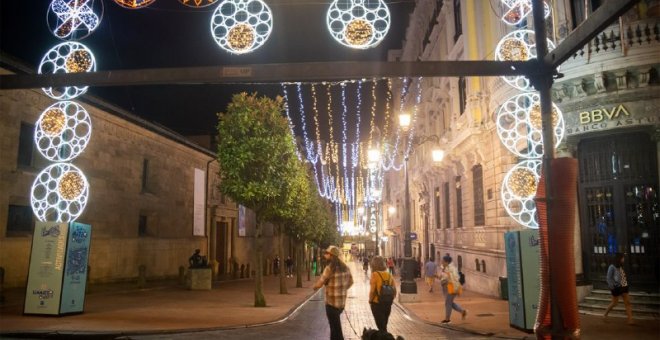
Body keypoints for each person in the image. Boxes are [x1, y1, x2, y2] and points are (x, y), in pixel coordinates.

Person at [313, 245, 354, 340]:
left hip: (331, 304)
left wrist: (314, 286)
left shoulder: (329, 268)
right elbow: (351, 282)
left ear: (332, 256)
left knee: (336, 329)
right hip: (341, 305)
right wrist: (342, 289)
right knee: (334, 328)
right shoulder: (345, 268)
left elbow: (320, 282)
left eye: (327, 254)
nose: (325, 255)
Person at [369, 255, 396, 333]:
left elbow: (372, 291)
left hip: (377, 303)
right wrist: (389, 299)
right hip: (388, 303)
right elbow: (394, 290)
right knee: (384, 325)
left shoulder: (374, 275)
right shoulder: (389, 274)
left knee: (381, 327)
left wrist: (370, 301)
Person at [604, 252, 633, 324]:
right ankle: (605, 314)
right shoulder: (612, 266)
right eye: (622, 258)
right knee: (614, 303)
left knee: (628, 303)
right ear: (619, 258)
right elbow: (608, 278)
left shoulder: (621, 266)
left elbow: (623, 276)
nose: (624, 259)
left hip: (624, 286)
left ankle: (630, 320)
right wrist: (612, 287)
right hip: (616, 287)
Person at [438, 254, 467, 323]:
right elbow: (442, 277)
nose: (441, 262)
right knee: (450, 303)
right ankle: (463, 311)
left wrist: (445, 278)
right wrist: (439, 276)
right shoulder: (445, 268)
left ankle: (447, 319)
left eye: (443, 261)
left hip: (450, 287)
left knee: (448, 303)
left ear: (447, 262)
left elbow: (454, 278)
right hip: (446, 288)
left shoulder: (451, 268)